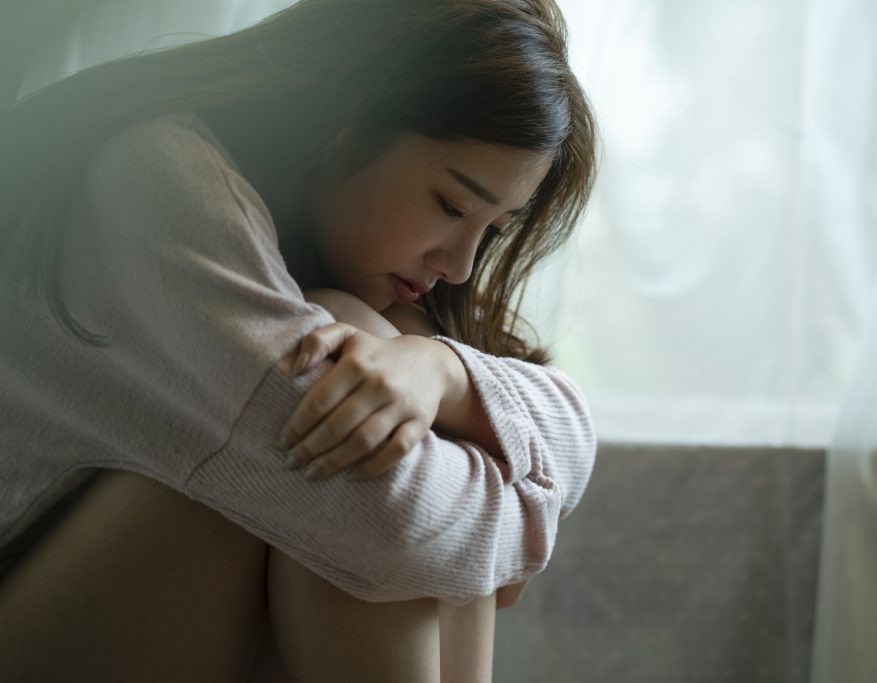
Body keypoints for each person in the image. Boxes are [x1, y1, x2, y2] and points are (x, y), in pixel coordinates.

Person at [0, 0, 598, 681]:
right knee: (330, 430)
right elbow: (385, 526)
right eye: (451, 205)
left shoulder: (354, 275)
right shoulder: (154, 181)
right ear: (343, 128)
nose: (460, 265)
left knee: (372, 379)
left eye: (492, 230)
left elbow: (572, 427)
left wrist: (441, 373)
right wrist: (528, 521)